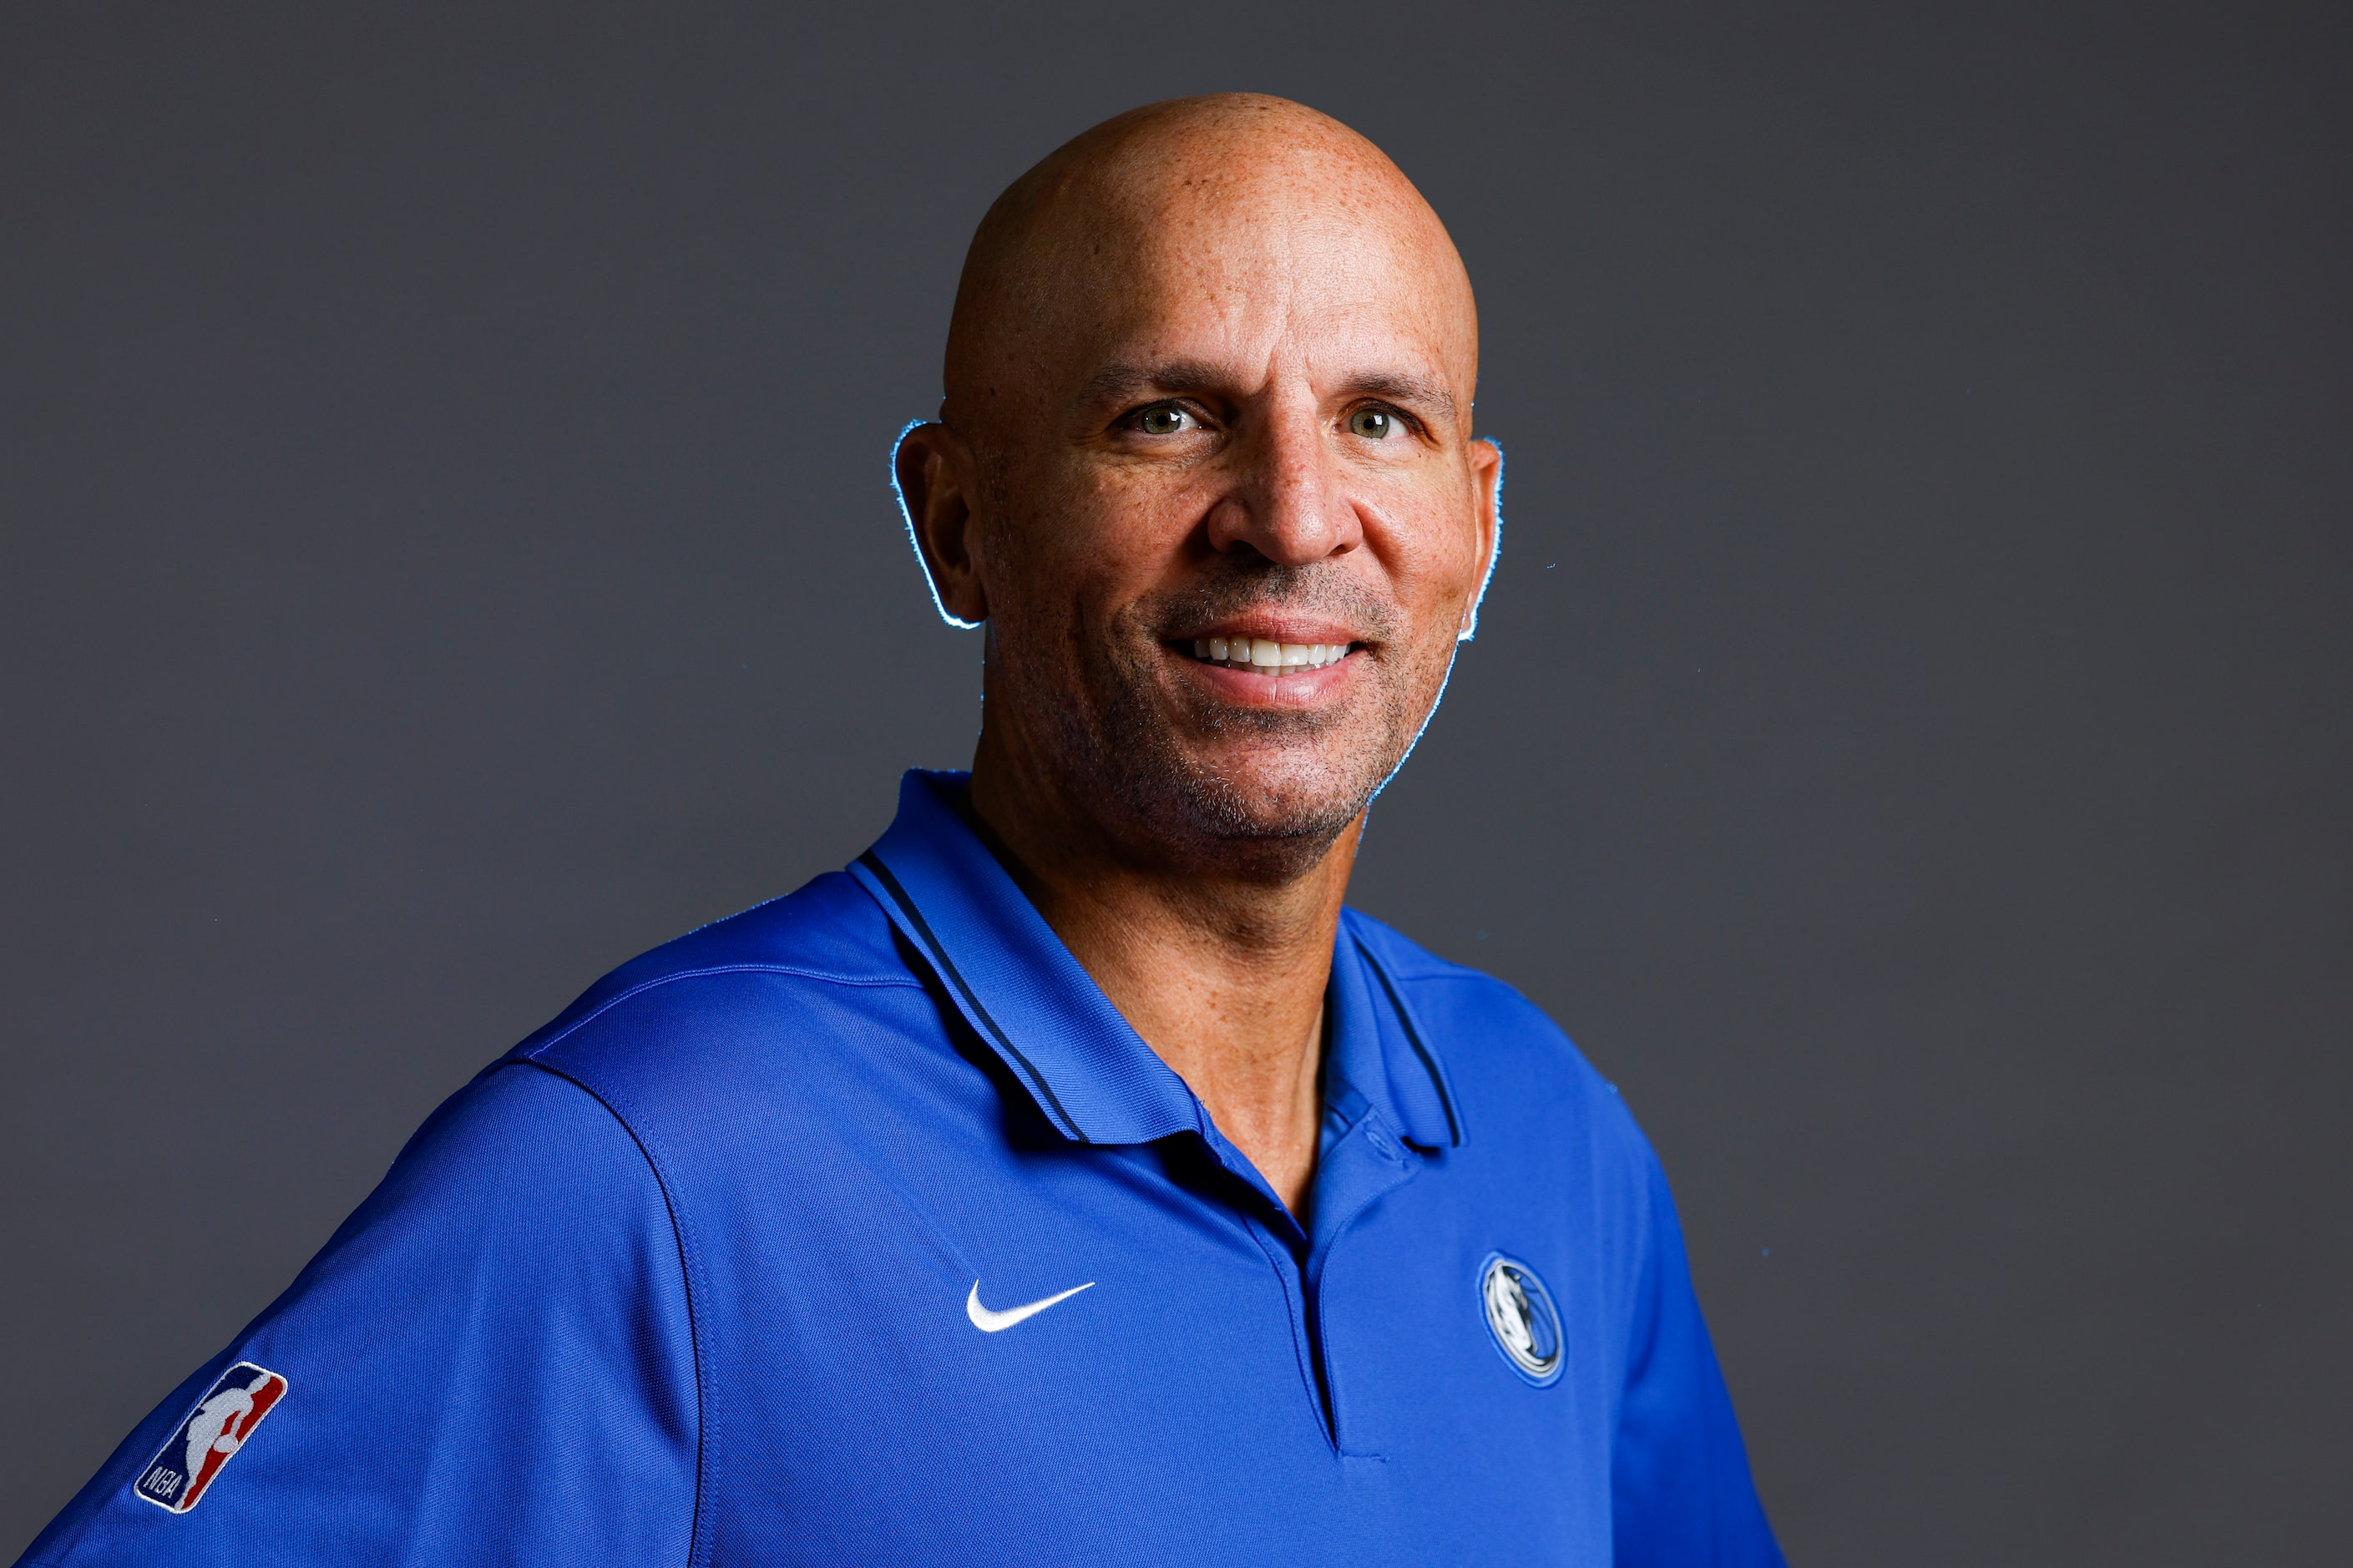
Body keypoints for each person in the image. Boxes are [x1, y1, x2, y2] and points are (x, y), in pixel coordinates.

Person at [19, 94, 1784, 1565]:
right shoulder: (655, 1171)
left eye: (1376, 421)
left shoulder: (1549, 1142)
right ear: (958, 523)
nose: (1292, 518)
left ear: (1472, 530)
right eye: (1167, 416)